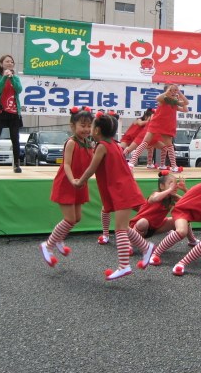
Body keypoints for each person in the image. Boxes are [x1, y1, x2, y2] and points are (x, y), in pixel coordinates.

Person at [36, 109, 102, 267]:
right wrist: (72, 180)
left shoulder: (89, 143)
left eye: (89, 126)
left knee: (77, 218)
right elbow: (66, 164)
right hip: (67, 183)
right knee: (70, 218)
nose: (86, 129)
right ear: (73, 126)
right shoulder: (71, 142)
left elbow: (93, 163)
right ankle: (48, 244)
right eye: (82, 125)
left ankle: (58, 239)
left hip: (79, 183)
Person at [91, 113, 148, 280]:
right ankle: (147, 248)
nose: (90, 130)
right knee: (125, 228)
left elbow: (92, 169)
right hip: (123, 189)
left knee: (120, 229)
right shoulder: (115, 145)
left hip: (122, 190)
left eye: (91, 126)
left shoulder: (102, 146)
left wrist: (78, 180)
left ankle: (124, 265)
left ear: (98, 130)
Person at [0, 55, 26, 174]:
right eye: (7, 61)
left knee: (15, 138)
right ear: (1, 64)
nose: (10, 63)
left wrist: (11, 78)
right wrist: (4, 77)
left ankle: (17, 164)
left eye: (12, 62)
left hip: (13, 112)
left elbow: (19, 90)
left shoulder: (15, 78)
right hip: (0, 112)